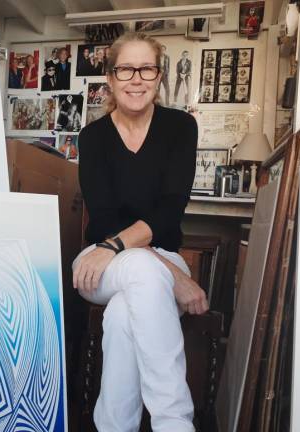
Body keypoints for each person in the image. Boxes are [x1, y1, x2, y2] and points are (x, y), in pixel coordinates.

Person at [73, 32, 208, 432]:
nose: (136, 79)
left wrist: (160, 264)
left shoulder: (180, 127)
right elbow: (103, 218)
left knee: (121, 317)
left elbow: (170, 211)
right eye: (126, 69)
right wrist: (173, 276)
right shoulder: (93, 137)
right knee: (145, 273)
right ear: (110, 78)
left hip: (156, 256)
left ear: (159, 75)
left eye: (146, 68)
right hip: (100, 261)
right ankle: (175, 423)